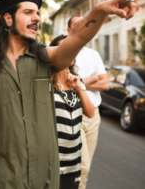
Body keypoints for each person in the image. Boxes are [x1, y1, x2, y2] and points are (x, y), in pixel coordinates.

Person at [0, 0, 142, 189]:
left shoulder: (46, 58)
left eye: (38, 13)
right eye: (28, 12)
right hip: (4, 179)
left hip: (45, 179)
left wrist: (100, 10)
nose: (36, 17)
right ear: (8, 19)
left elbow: (77, 39)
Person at [67, 16, 110, 189]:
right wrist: (93, 78)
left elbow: (105, 84)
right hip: (74, 114)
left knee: (86, 168)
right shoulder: (65, 51)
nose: (83, 26)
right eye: (77, 24)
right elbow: (66, 85)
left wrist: (80, 84)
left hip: (94, 115)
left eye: (85, 23)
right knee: (81, 166)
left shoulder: (94, 54)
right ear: (69, 30)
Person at [50, 35, 94, 189]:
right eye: (64, 49)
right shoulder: (47, 82)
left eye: (72, 50)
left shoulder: (78, 81)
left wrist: (79, 88)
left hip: (73, 161)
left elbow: (90, 112)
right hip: (53, 160)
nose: (70, 53)